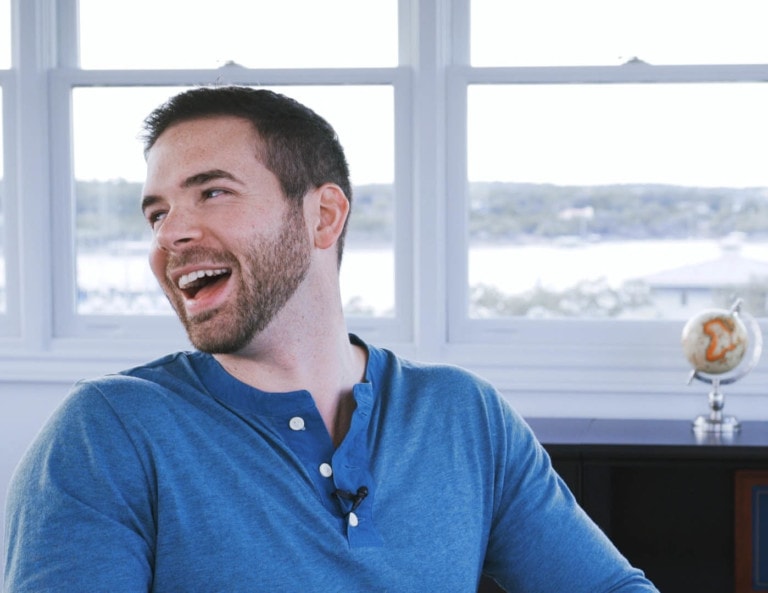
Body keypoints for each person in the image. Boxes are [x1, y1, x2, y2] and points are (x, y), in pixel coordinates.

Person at [3, 86, 658, 592]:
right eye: (157, 212)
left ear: (323, 215)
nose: (170, 234)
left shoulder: (463, 415)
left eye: (213, 192)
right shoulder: (108, 432)